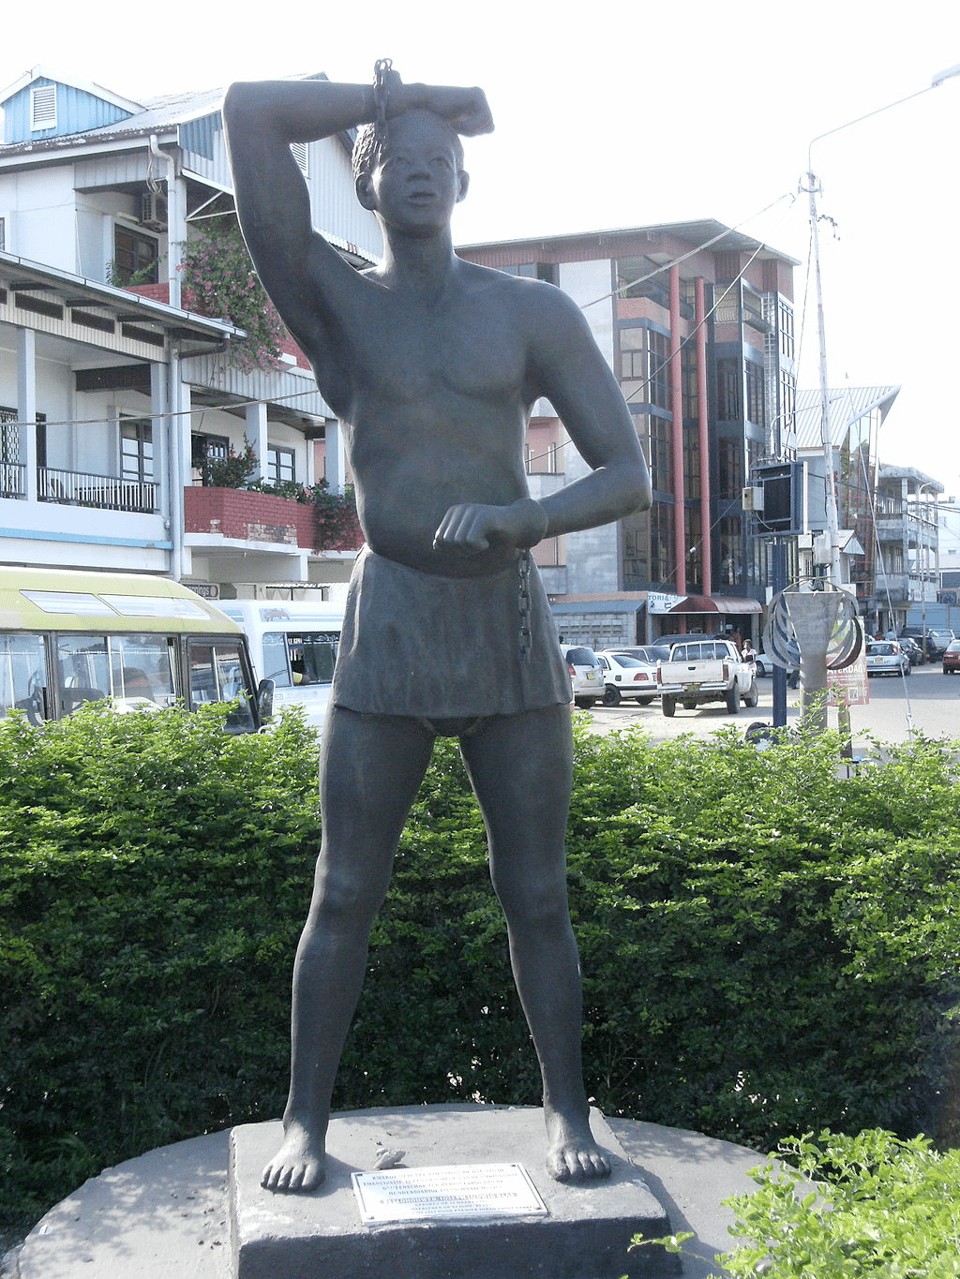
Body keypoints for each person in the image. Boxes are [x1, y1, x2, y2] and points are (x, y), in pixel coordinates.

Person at [223, 61, 651, 1194]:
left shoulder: (533, 312)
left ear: (464, 176)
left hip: (508, 622)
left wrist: (523, 515)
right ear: (367, 183)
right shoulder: (334, 302)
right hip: (392, 621)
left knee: (541, 893)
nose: (416, 170)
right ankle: (304, 1119)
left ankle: (569, 1106)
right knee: (344, 888)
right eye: (392, 160)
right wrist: (393, 98)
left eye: (434, 157)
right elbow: (249, 116)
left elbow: (626, 475)